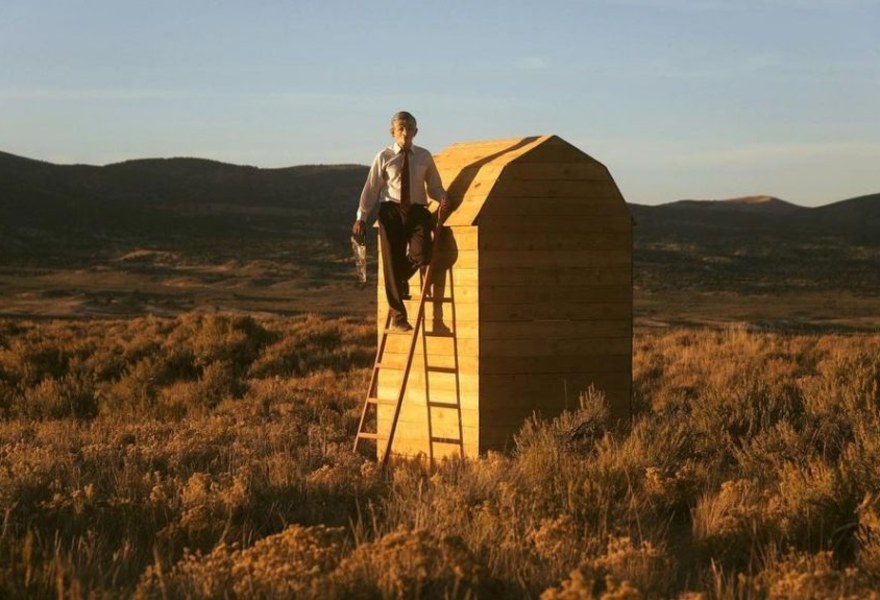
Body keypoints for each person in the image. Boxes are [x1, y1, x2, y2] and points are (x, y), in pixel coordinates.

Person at [353, 111, 449, 332]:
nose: (405, 133)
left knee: (422, 253)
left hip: (417, 210)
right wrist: (361, 217)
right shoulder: (384, 156)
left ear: (416, 131)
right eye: (401, 128)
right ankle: (398, 317)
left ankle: (401, 277)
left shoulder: (424, 156)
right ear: (393, 132)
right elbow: (371, 189)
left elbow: (434, 186)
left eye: (410, 128)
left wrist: (443, 197)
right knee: (391, 261)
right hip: (391, 212)